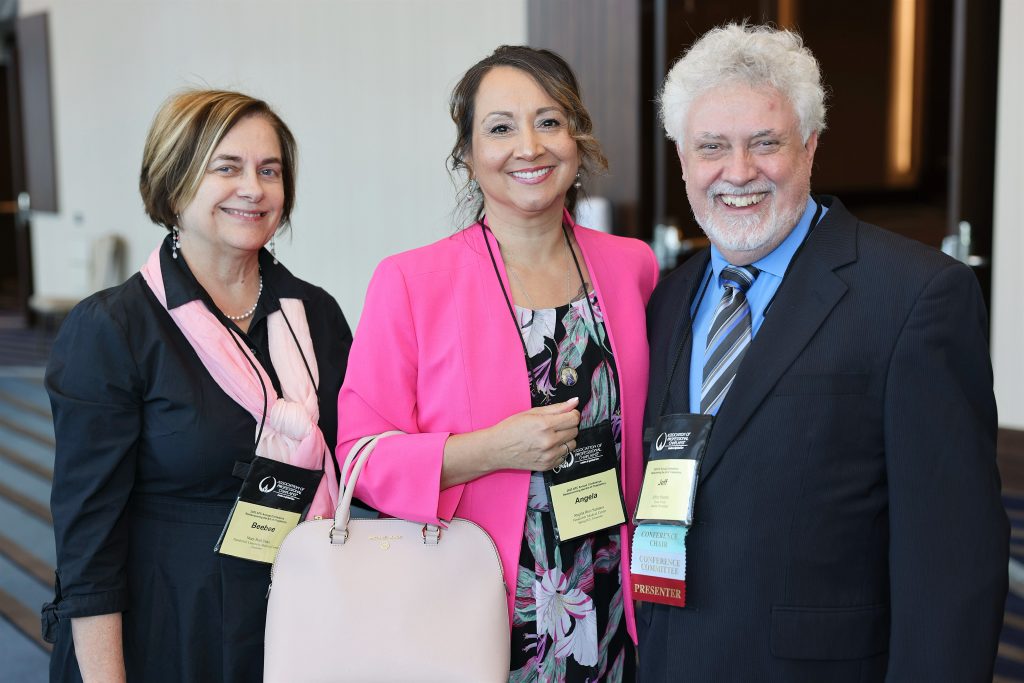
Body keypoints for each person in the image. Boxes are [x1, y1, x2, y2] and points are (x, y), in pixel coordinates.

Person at [637, 23, 1008, 682]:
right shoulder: (667, 300)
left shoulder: (917, 296)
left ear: (810, 145)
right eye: (712, 146)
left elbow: (953, 565)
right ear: (683, 159)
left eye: (766, 143)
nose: (738, 172)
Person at [337, 45, 658, 681]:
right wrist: (491, 449)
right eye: (501, 128)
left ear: (576, 136)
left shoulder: (632, 267)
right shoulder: (410, 282)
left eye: (549, 122)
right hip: (478, 614)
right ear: (467, 153)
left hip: (613, 604)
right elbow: (360, 458)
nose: (529, 148)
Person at [42, 89, 353, 682]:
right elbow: (88, 545)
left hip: (299, 619)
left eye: (269, 171)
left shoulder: (315, 315)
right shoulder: (114, 328)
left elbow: (361, 455)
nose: (253, 189)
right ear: (175, 183)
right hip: (169, 633)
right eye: (226, 168)